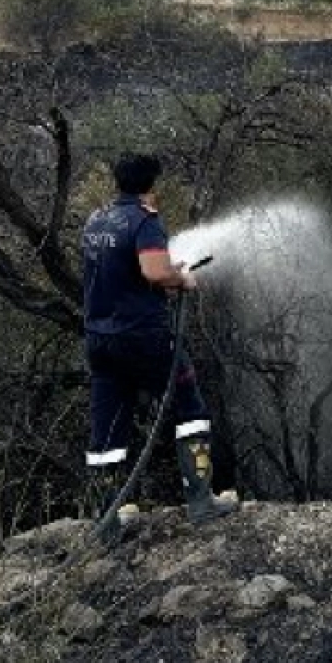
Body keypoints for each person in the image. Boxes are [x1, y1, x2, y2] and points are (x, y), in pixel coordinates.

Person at [80, 153, 236, 524]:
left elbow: (123, 273)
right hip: (144, 338)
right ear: (151, 186)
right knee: (190, 409)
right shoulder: (145, 221)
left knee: (108, 425)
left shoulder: (97, 220)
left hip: (100, 340)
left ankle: (108, 519)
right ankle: (201, 503)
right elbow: (152, 271)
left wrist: (165, 273)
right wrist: (180, 279)